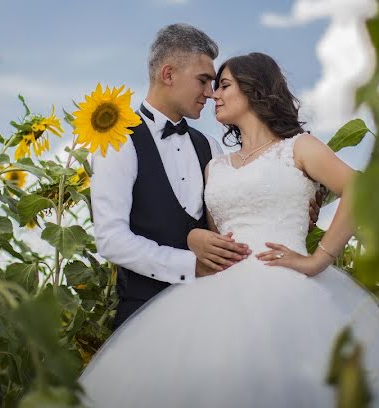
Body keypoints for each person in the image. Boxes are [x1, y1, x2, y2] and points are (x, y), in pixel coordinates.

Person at [80, 51, 379, 407]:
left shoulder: (297, 148)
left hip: (291, 293)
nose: (213, 94)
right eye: (209, 83)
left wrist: (320, 258)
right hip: (214, 297)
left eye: (223, 85)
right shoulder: (217, 164)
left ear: (254, 89)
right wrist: (193, 239)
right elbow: (211, 232)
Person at [91, 24, 318, 329]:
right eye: (204, 80)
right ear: (168, 74)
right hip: (144, 318)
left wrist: (297, 204)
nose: (210, 94)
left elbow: (232, 213)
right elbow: (111, 240)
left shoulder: (208, 146)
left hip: (214, 312)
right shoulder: (117, 140)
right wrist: (190, 262)